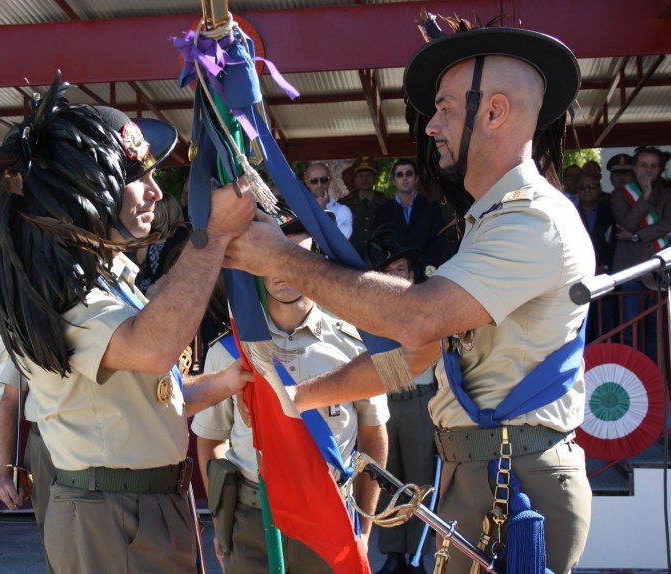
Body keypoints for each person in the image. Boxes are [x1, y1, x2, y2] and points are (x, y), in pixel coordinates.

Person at [226, 17, 594, 574]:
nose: (431, 127)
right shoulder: (493, 222)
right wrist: (303, 397)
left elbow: (417, 320)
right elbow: (416, 358)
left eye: (445, 108)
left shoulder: (534, 221)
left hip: (514, 485)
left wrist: (282, 260)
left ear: (494, 111)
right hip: (488, 472)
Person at [0, 76, 255, 573]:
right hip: (112, 515)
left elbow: (151, 401)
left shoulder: (111, 281)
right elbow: (154, 349)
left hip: (144, 504)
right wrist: (213, 235)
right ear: (83, 191)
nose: (155, 192)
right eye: (137, 177)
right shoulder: (63, 295)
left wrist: (227, 381)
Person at [192, 216, 388, 572]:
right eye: (272, 258)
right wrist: (223, 529)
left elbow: (373, 438)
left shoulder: (354, 346)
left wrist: (364, 530)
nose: (282, 270)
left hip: (330, 518)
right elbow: (210, 442)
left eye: (294, 257)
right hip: (254, 520)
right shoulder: (230, 351)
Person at [370, 244, 437, 574]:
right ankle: (393, 552)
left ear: (412, 275)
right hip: (385, 402)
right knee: (388, 481)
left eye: (400, 269)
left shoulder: (426, 309)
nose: (394, 275)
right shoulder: (374, 311)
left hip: (419, 402)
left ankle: (418, 555)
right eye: (389, 270)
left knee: (420, 480)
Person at [610, 146, 671, 358]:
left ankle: (654, 377)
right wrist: (645, 197)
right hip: (631, 270)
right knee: (630, 331)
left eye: (653, 166)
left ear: (659, 169)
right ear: (635, 167)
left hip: (658, 271)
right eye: (643, 165)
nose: (648, 170)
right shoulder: (619, 195)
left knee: (656, 331)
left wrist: (638, 235)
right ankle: (634, 378)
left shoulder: (668, 195)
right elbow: (626, 224)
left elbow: (669, 224)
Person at [0, 380, 55, 574]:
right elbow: (11, 401)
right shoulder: (28, 347)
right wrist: (5, 474)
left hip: (108, 442)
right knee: (54, 543)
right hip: (46, 445)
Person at [374, 159, 446, 270]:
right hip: (394, 273)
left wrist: (423, 265)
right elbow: (378, 243)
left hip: (425, 271)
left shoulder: (432, 208)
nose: (404, 177)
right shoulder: (382, 212)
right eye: (399, 174)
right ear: (393, 180)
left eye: (409, 173)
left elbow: (439, 240)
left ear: (416, 178)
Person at [576, 174, 617, 342]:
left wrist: (605, 267)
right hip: (578, 277)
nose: (587, 190)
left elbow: (615, 242)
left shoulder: (610, 211)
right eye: (582, 187)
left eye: (591, 187)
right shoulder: (570, 210)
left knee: (607, 321)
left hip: (604, 273)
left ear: (599, 190)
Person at [341, 155, 390, 252]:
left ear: (375, 178)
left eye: (368, 175)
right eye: (360, 176)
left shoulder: (387, 204)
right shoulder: (344, 205)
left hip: (380, 260)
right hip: (353, 260)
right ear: (355, 179)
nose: (365, 179)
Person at [302, 162, 353, 239]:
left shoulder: (342, 210)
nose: (319, 185)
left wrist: (323, 211)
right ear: (307, 182)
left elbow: (343, 238)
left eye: (324, 180)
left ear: (330, 181)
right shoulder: (298, 208)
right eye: (314, 181)